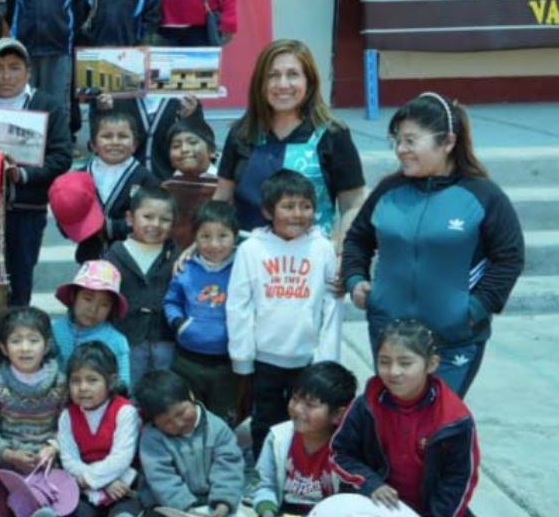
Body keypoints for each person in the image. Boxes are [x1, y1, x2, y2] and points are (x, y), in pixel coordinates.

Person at [340, 93, 523, 395]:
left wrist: (474, 309)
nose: (401, 150)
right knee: (394, 425)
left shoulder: (483, 196)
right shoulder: (389, 190)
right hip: (390, 338)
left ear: (448, 142)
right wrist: (355, 279)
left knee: (438, 429)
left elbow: (509, 258)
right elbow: (358, 238)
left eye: (411, 141)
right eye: (396, 141)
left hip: (453, 340)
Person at [329, 319, 483, 517]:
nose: (393, 372)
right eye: (384, 361)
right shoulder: (367, 403)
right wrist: (370, 483)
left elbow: (459, 481)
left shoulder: (454, 419)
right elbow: (340, 452)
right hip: (373, 507)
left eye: (405, 363)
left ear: (432, 364)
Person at [228, 168, 342, 470]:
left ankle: (300, 472)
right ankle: (263, 471)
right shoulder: (252, 249)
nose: (298, 214)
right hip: (265, 358)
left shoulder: (322, 248)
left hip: (306, 358)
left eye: (306, 206)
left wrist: (327, 359)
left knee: (307, 421)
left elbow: (331, 307)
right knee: (264, 419)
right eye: (288, 206)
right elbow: (239, 305)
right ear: (268, 210)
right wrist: (242, 357)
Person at [231, 360, 357, 517]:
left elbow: (350, 502)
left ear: (337, 415)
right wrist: (266, 512)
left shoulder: (346, 447)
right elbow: (264, 484)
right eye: (296, 399)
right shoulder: (278, 437)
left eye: (311, 405)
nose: (298, 410)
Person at [215, 39, 365, 241]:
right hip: (248, 257)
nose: (283, 84)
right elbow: (223, 198)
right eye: (273, 76)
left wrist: (340, 252)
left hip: (310, 263)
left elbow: (353, 204)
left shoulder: (332, 134)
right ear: (261, 83)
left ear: (309, 82)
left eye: (293, 75)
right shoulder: (242, 133)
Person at [135, 369, 261, 517]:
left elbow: (228, 465)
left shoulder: (217, 428)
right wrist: (187, 509)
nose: (177, 424)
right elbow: (162, 479)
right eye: (166, 422)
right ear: (155, 422)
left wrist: (223, 501)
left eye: (181, 413)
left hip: (210, 497)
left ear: (191, 397)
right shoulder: (152, 438)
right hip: (166, 504)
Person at [0, 37, 69, 307]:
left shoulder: (47, 105)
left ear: (28, 71)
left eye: (14, 67)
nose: (6, 76)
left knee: (20, 280)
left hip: (28, 209)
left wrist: (24, 175)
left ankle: (15, 341)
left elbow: (61, 156)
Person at [0, 307, 67, 517]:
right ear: (4, 348)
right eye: (16, 341)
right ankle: (29, 509)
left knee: (61, 499)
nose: (25, 348)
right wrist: (9, 454)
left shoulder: (60, 383)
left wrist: (52, 448)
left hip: (44, 462)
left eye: (33, 340)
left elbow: (67, 427)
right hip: (7, 460)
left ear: (46, 345)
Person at [54, 341, 144, 517]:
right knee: (74, 516)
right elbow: (69, 459)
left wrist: (98, 480)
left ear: (111, 381)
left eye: (92, 380)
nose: (83, 388)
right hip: (88, 488)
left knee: (124, 515)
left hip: (123, 486)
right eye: (76, 381)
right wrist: (100, 484)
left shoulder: (125, 411)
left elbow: (121, 457)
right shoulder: (67, 416)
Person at [165, 200, 243, 427]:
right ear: (194, 239)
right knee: (188, 415)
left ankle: (219, 457)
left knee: (222, 418)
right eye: (205, 236)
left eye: (223, 236)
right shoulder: (186, 268)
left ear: (235, 237)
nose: (214, 244)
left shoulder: (243, 267)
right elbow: (172, 301)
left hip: (226, 361)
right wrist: (179, 323)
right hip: (187, 358)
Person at [105, 184, 178, 386]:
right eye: (148, 217)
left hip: (166, 339)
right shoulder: (114, 256)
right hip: (127, 339)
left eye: (165, 220)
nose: (156, 224)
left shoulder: (177, 256)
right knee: (130, 389)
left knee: (164, 392)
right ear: (130, 218)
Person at [69, 106, 156, 263]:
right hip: (90, 258)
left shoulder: (145, 178)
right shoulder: (79, 176)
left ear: (135, 144)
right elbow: (68, 218)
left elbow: (152, 217)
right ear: (93, 144)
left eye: (123, 136)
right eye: (107, 136)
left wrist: (110, 227)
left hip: (131, 258)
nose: (115, 142)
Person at [52, 260, 133, 380]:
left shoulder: (117, 342)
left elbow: (123, 385)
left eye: (104, 305)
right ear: (74, 296)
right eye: (87, 299)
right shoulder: (53, 330)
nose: (93, 309)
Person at [161, 113, 219, 250]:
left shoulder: (223, 187)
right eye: (176, 146)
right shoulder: (166, 188)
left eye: (192, 143)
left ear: (212, 151)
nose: (184, 150)